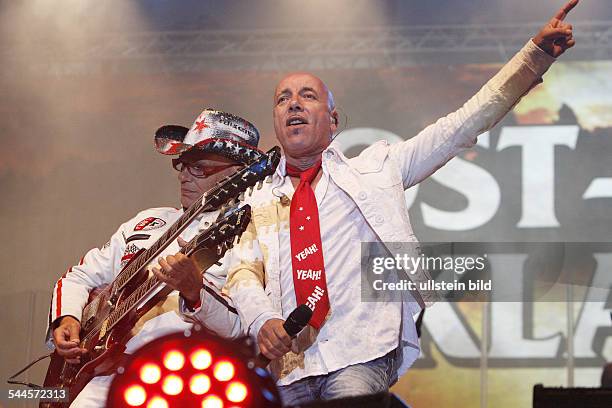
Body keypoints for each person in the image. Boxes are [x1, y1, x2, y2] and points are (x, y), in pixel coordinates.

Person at [222, 1, 579, 405]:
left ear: (334, 120)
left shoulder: (376, 168)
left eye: (308, 96)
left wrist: (534, 57)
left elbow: (463, 124)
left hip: (360, 349)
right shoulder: (257, 198)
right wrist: (261, 319)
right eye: (282, 98)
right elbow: (243, 273)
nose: (294, 103)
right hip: (287, 365)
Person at [46, 109, 259, 407]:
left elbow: (242, 329)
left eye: (198, 167)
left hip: (188, 380)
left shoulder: (253, 232)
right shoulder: (147, 221)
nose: (184, 175)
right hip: (104, 377)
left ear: (237, 173)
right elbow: (79, 276)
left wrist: (194, 292)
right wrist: (67, 318)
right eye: (182, 164)